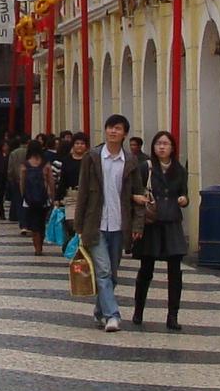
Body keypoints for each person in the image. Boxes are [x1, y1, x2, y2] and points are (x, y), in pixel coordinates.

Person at [70, 116, 135, 332]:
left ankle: (99, 311)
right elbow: (83, 193)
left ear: (124, 134)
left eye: (118, 128)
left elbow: (136, 194)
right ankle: (112, 315)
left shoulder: (130, 161)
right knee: (104, 271)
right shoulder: (93, 157)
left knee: (112, 275)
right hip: (95, 224)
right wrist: (78, 226)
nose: (113, 131)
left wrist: (137, 226)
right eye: (110, 127)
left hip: (119, 225)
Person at [127, 130, 189, 330]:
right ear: (153, 147)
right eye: (158, 143)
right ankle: (138, 311)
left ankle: (173, 316)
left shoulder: (179, 170)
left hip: (171, 222)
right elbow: (134, 190)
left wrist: (184, 199)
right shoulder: (146, 168)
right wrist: (137, 200)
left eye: (166, 144)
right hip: (151, 223)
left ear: (172, 147)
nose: (162, 147)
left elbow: (184, 192)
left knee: (175, 272)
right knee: (146, 269)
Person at [18, 141, 55, 252]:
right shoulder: (46, 164)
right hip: (43, 198)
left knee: (34, 223)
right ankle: (40, 243)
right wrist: (52, 196)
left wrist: (23, 195)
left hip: (30, 198)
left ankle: (37, 247)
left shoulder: (25, 165)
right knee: (42, 222)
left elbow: (22, 182)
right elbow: (51, 181)